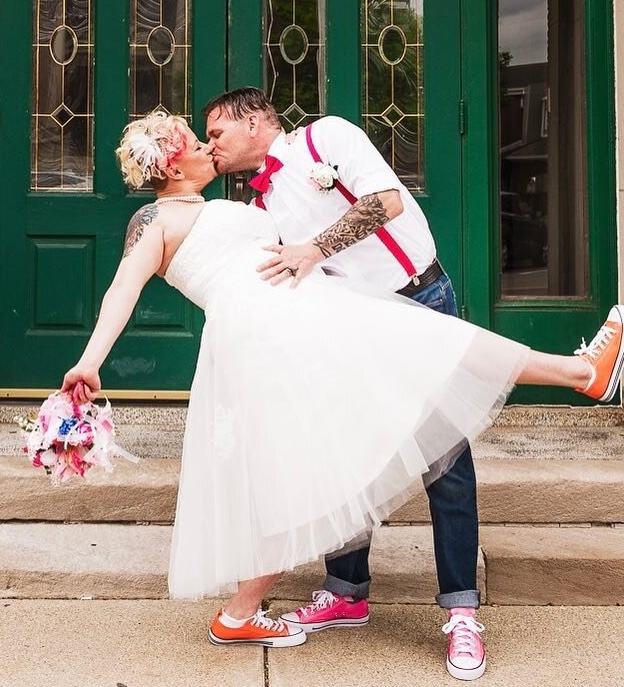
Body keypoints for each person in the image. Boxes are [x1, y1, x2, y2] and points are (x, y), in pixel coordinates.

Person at [61, 109, 624, 661]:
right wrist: (90, 363)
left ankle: (260, 609)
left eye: (213, 133)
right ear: (173, 164)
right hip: (277, 331)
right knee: (433, 354)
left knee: (317, 459)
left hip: (306, 316)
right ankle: (582, 373)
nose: (209, 146)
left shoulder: (246, 196)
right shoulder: (156, 222)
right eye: (196, 138)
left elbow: (368, 209)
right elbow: (121, 292)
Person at [203, 88, 507, 678]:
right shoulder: (260, 201)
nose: (212, 146)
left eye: (217, 133)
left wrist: (313, 249)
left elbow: (386, 201)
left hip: (419, 300)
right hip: (354, 326)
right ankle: (346, 591)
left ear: (254, 121)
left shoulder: (328, 137)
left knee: (443, 459)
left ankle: (461, 614)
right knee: (341, 456)